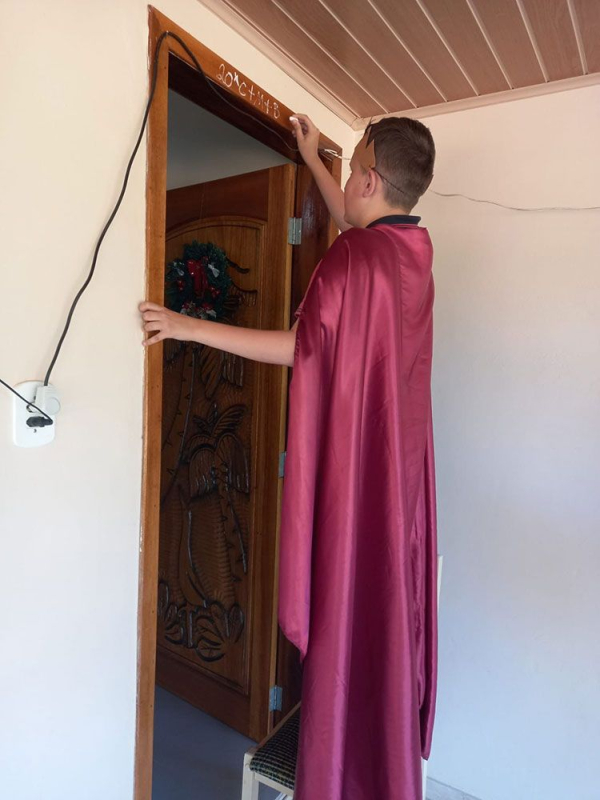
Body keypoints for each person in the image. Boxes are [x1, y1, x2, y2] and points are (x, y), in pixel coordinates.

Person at [140, 113, 438, 800]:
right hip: (398, 479)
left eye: (352, 168)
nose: (349, 182)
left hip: (357, 480)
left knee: (347, 616)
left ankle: (339, 772)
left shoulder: (355, 259)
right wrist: (311, 158)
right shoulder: (414, 257)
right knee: (382, 617)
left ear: (369, 179)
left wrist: (187, 326)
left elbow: (303, 349)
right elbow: (356, 223)